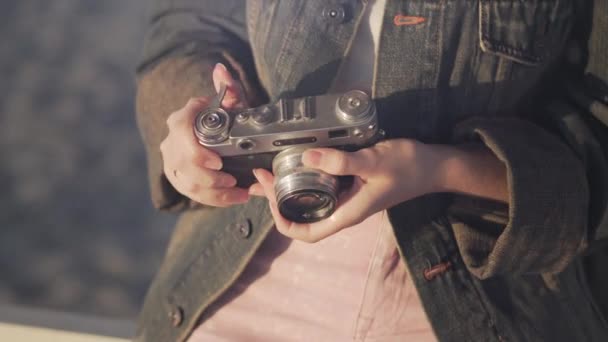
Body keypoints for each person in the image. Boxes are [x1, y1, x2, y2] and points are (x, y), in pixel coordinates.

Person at [134, 0, 608, 341]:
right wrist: (195, 130)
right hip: (243, 259)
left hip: (482, 297)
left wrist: (441, 169)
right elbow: (191, 25)